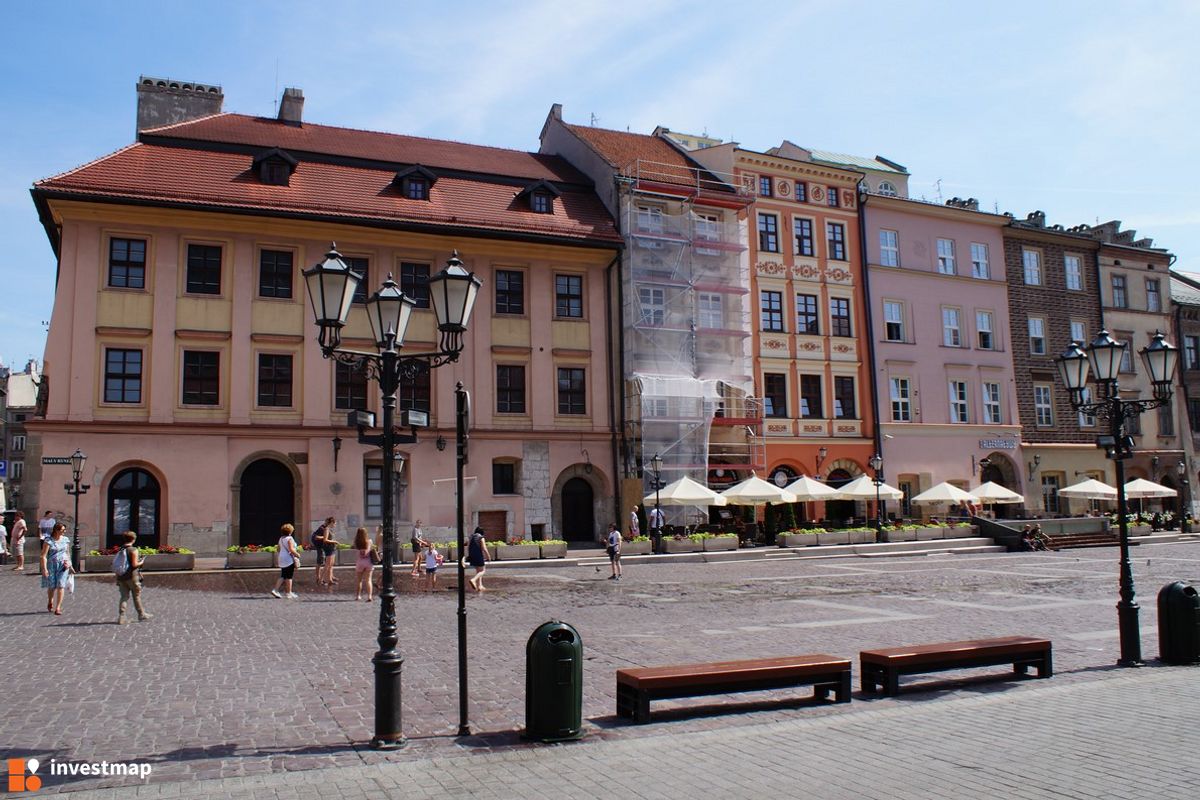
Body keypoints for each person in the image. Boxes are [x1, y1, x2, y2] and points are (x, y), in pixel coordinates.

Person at [114, 530, 152, 624]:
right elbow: (135, 564)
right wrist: (142, 562)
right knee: (136, 596)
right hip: (132, 576)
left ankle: (121, 616)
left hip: (121, 576)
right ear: (133, 539)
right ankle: (141, 614)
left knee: (124, 597)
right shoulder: (133, 550)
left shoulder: (120, 549)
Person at [40, 522, 73, 615]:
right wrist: (44, 569)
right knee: (52, 586)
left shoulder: (66, 540)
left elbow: (67, 553)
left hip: (63, 565)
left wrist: (70, 564)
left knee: (61, 585)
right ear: (56, 530)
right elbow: (43, 556)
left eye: (64, 530)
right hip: (51, 565)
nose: (64, 531)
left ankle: (58, 607)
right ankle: (50, 600)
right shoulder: (48, 541)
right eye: (62, 530)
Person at [271, 523, 302, 599]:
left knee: (283, 575)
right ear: (290, 531)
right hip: (288, 559)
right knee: (289, 576)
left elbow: (278, 549)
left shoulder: (281, 538)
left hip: (281, 557)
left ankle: (275, 590)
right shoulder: (290, 538)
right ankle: (289, 593)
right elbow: (291, 549)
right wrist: (297, 554)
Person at [353, 527, 376, 601]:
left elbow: (354, 548)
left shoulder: (356, 542)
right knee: (368, 580)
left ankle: (358, 596)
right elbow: (372, 549)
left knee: (359, 580)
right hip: (368, 562)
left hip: (360, 562)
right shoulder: (369, 541)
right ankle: (369, 596)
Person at [466, 526, 489, 592]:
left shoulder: (471, 537)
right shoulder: (481, 538)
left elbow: (468, 547)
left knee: (478, 571)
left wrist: (469, 555)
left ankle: (480, 586)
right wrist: (488, 556)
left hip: (472, 555)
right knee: (483, 571)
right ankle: (473, 580)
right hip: (478, 555)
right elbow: (484, 548)